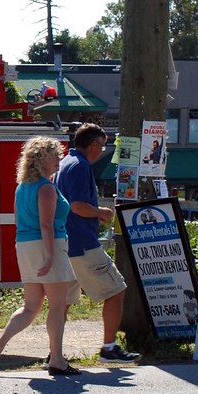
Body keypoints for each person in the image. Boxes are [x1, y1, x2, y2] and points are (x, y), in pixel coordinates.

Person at [0, 136, 79, 377]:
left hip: (24, 245)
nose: (59, 160)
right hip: (48, 245)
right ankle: (57, 359)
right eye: (55, 156)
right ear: (43, 159)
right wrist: (49, 256)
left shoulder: (22, 187)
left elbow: (20, 221)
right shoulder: (45, 188)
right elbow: (46, 224)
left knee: (30, 307)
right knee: (56, 307)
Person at [56, 123, 140, 363]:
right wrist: (100, 212)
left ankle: (55, 353)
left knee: (63, 302)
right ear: (92, 144)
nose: (102, 151)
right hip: (83, 243)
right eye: (102, 146)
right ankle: (109, 348)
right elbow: (78, 206)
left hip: (65, 244)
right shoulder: (81, 167)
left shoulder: (64, 163)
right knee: (116, 290)